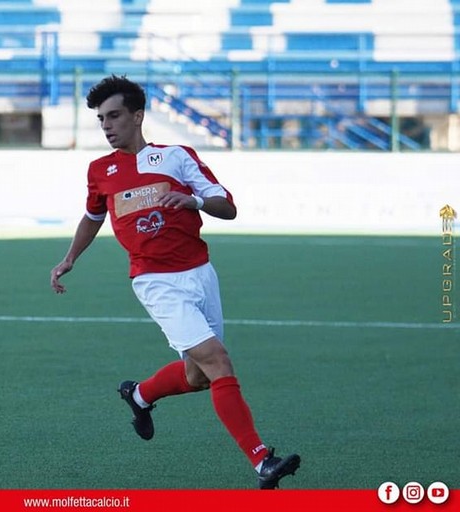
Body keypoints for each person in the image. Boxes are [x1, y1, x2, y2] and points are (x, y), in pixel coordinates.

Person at [49, 75, 301, 490]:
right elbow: (94, 216)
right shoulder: (100, 170)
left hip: (200, 274)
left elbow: (228, 207)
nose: (108, 125)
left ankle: (141, 395)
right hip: (154, 280)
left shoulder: (178, 157)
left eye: (114, 116)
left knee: (199, 376)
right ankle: (262, 462)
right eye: (101, 119)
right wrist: (70, 258)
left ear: (138, 115)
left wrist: (193, 200)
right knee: (218, 360)